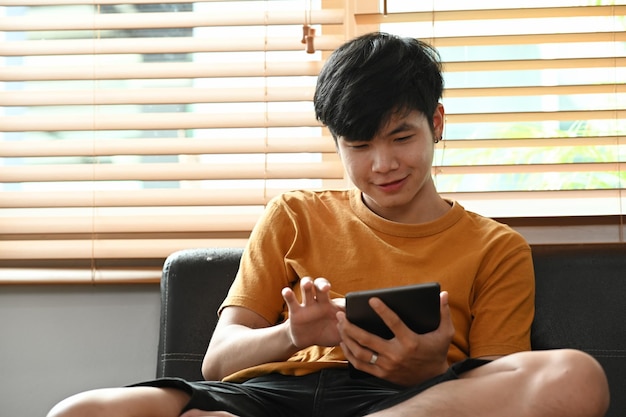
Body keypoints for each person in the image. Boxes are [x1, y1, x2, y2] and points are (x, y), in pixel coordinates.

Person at [47, 32, 609, 417]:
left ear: (436, 123)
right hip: (273, 396)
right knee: (76, 411)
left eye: (402, 138)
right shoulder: (293, 214)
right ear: (337, 144)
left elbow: (501, 388)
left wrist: (430, 366)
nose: (382, 164)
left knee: (578, 377)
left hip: (413, 403)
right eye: (359, 146)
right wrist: (295, 334)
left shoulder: (496, 248)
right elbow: (217, 363)